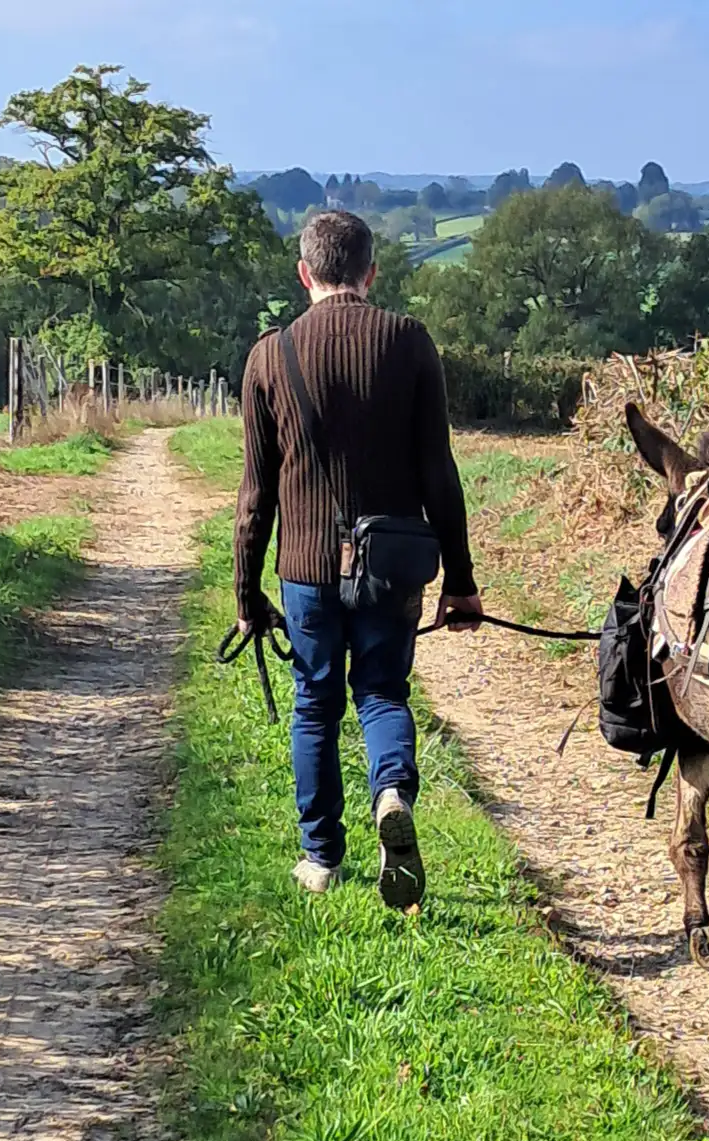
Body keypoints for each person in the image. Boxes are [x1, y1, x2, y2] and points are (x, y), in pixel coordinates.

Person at [234, 210, 482, 911]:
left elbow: (256, 494)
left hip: (306, 567)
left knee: (315, 703)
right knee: (382, 693)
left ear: (304, 272)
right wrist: (460, 582)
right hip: (394, 564)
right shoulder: (410, 343)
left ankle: (320, 858)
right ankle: (393, 793)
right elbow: (440, 473)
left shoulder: (268, 356)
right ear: (371, 272)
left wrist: (247, 592)